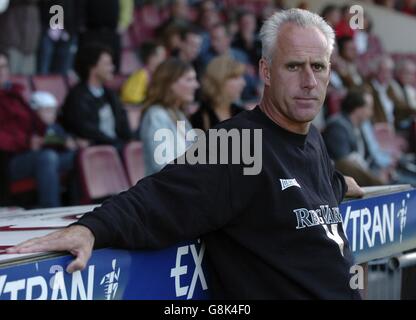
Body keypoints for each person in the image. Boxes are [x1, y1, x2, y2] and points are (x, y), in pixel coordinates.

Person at [8, 9, 364, 299]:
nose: (309, 81)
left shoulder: (312, 139)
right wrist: (90, 229)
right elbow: (158, 197)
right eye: (293, 66)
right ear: (266, 72)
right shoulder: (240, 145)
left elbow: (302, 190)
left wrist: (336, 182)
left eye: (318, 67)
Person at [0, 51, 75, 208]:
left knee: (77, 156)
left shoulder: (15, 93)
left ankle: (81, 210)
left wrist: (53, 133)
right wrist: (27, 142)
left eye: (4, 66)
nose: (2, 71)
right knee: (47, 158)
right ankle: (52, 213)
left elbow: (35, 126)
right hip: (8, 162)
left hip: (30, 152)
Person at [61, 43, 132, 151]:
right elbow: (86, 130)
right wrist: (117, 143)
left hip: (116, 146)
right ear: (93, 67)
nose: (112, 68)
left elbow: (123, 124)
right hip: (98, 150)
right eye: (107, 64)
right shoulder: (78, 96)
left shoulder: (110, 94)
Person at [138, 58, 199, 176]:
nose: (196, 85)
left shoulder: (180, 115)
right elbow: (164, 166)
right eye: (189, 79)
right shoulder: (156, 115)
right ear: (170, 83)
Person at [191, 55, 246, 131]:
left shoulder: (241, 113)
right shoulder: (200, 117)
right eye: (236, 77)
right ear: (219, 80)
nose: (243, 83)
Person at [120, 41, 167, 105]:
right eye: (161, 56)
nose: (164, 60)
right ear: (151, 57)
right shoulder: (141, 75)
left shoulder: (157, 75)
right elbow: (132, 100)